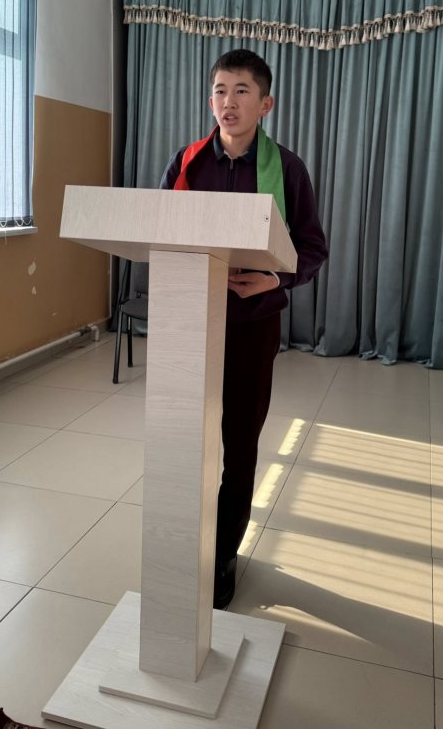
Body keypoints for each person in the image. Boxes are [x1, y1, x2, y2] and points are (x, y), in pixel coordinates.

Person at [160, 48, 328, 608]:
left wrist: (274, 281)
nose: (227, 102)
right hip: (191, 321)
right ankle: (184, 539)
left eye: (240, 91)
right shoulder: (186, 163)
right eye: (219, 90)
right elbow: (161, 229)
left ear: (265, 104)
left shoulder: (289, 169)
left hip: (254, 326)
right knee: (185, 437)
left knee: (239, 440)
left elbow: (312, 248)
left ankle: (223, 552)